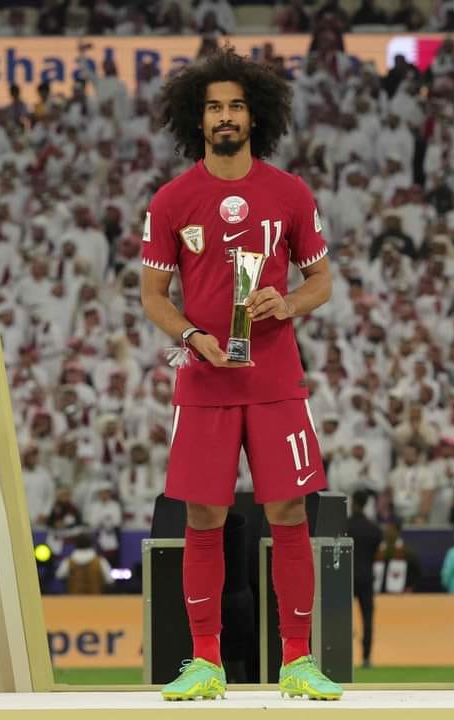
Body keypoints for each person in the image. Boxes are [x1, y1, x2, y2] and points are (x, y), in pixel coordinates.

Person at [141, 48, 341, 701]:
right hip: (205, 381)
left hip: (276, 380)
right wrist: (192, 337)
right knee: (203, 515)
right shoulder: (172, 200)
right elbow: (152, 297)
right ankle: (205, 661)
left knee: (289, 511)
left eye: (235, 106)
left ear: (255, 116)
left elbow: (321, 280)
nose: (224, 117)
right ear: (196, 120)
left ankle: (297, 659)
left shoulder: (290, 192)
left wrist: (287, 303)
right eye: (213, 108)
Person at [346, 490, 382, 667]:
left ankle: (342, 653)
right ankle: (366, 657)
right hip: (366, 577)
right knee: (367, 618)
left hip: (346, 577)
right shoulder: (374, 529)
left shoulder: (344, 526)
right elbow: (375, 553)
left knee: (342, 616)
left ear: (353, 503)